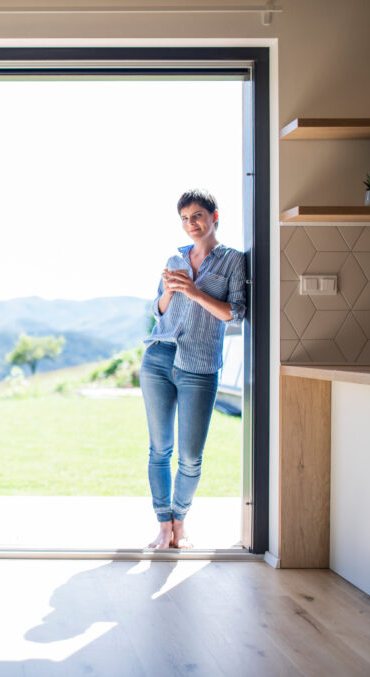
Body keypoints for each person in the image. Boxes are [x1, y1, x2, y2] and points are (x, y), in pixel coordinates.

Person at [141, 189, 246, 549]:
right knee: (159, 449)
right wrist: (170, 291)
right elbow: (157, 309)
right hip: (158, 356)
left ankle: (180, 519)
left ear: (215, 217)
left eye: (197, 216)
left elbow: (235, 313)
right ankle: (164, 525)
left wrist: (195, 291)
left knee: (190, 455)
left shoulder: (233, 261)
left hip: (199, 364)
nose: (191, 224)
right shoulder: (175, 257)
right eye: (185, 218)